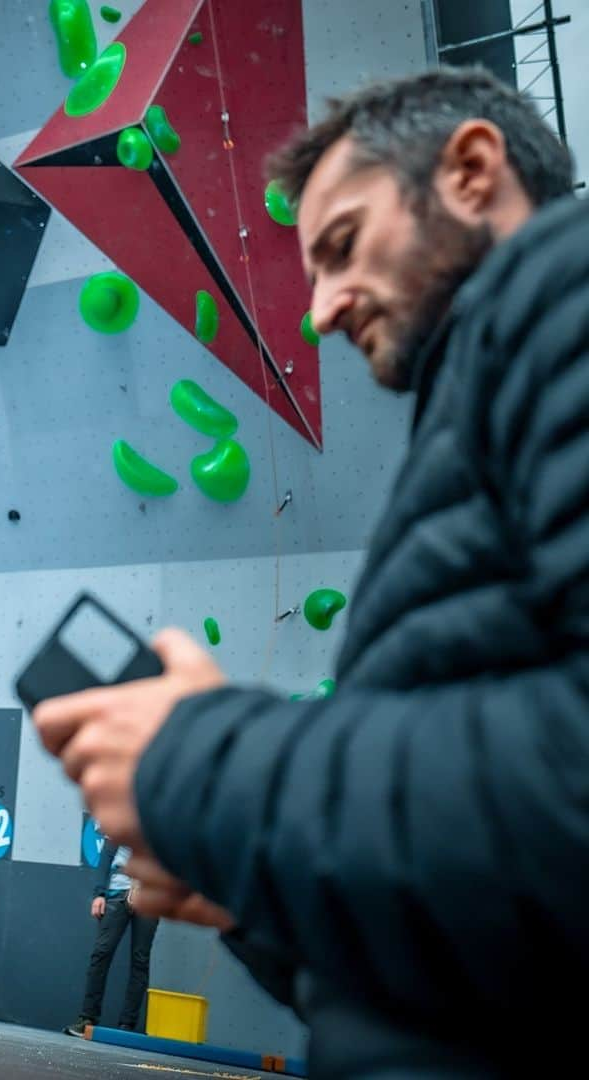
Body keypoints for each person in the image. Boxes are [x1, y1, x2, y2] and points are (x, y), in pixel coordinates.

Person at [33, 66, 587, 1077]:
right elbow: (485, 933)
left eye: (340, 247)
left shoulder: (565, 301)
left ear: (470, 172)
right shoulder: (486, 402)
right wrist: (262, 881)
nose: (323, 308)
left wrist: (206, 765)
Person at [64, 839, 158, 1038]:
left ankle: (127, 1026)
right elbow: (107, 854)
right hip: (117, 893)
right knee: (102, 952)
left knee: (140, 958)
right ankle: (87, 1018)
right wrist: (99, 894)